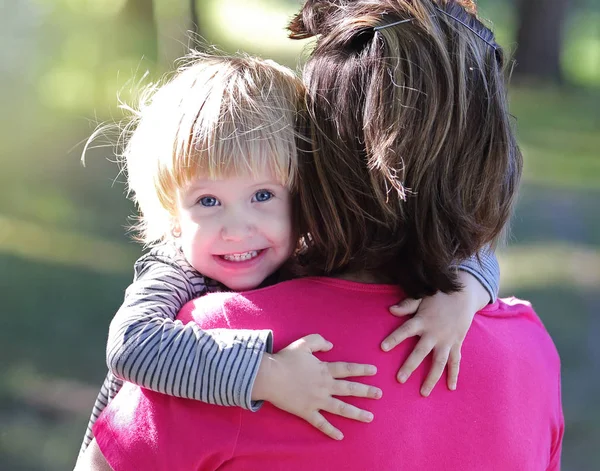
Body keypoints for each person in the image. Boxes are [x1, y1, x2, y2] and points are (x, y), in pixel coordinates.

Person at [81, 1, 564, 469]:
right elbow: (130, 344)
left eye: (263, 195)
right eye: (207, 202)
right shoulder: (533, 355)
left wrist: (464, 292)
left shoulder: (234, 310)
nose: (237, 228)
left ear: (309, 172)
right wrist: (265, 373)